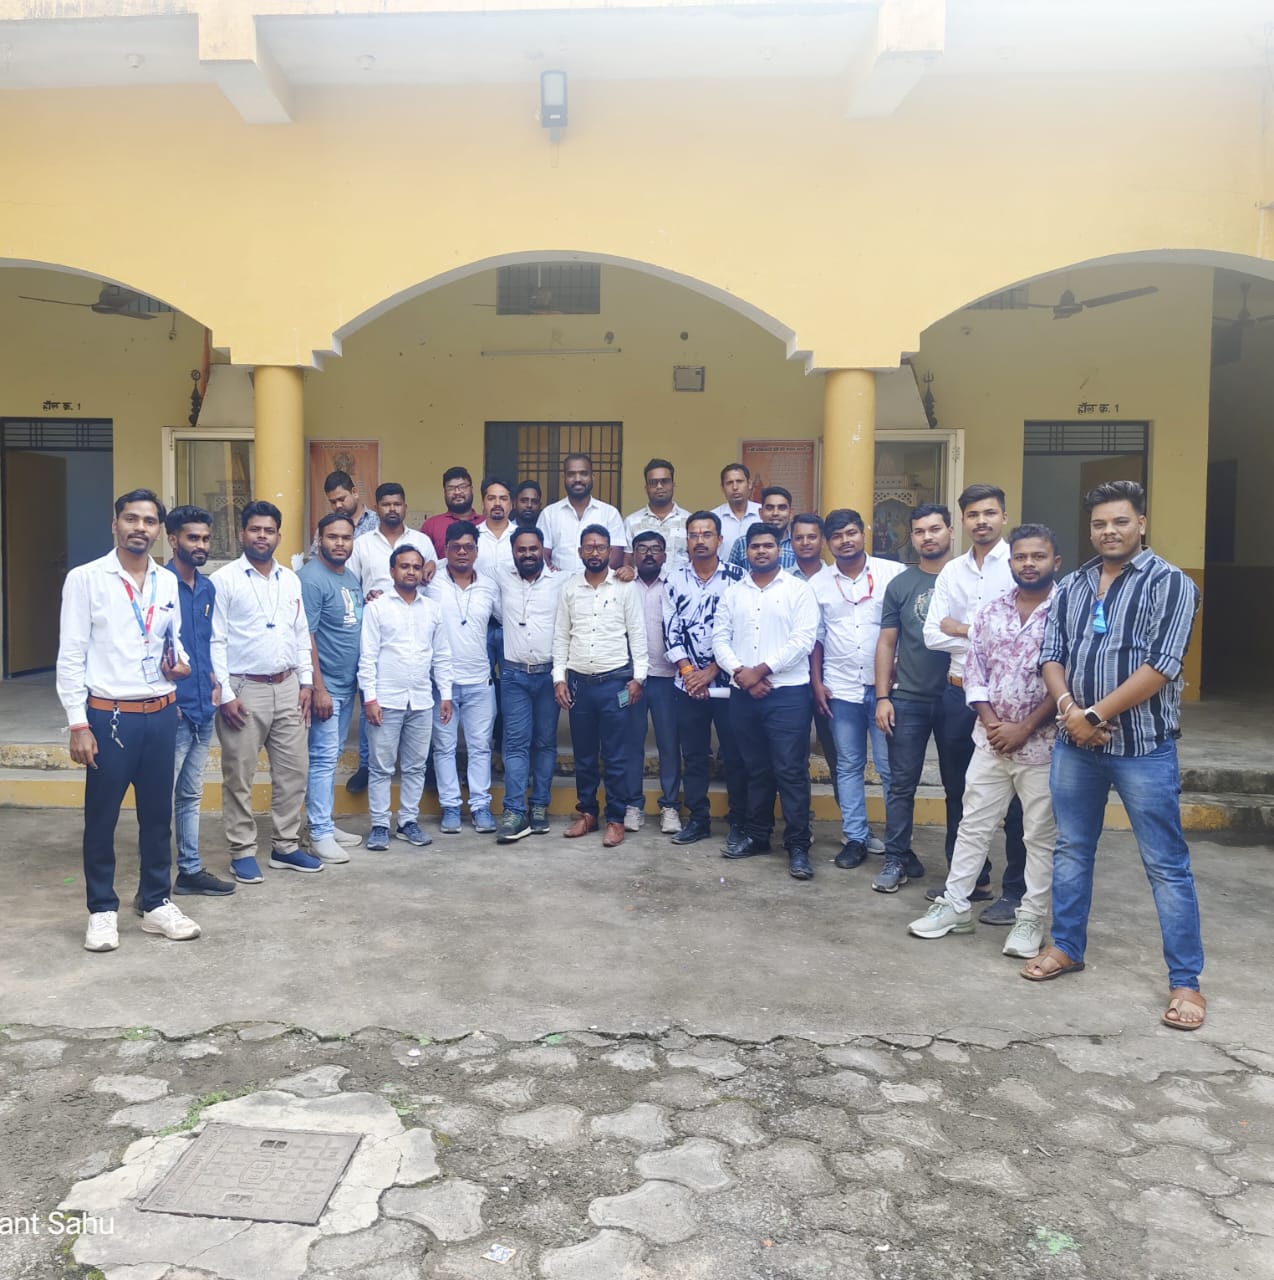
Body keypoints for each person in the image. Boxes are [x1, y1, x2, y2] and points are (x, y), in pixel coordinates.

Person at [1026, 481, 1206, 1031]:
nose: (1110, 531)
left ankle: (1186, 982)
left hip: (1142, 749)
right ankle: (1067, 947)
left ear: (1142, 524)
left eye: (1121, 522)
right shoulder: (1074, 584)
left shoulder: (1171, 583)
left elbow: (1162, 665)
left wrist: (1094, 715)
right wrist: (1069, 711)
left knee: (1166, 865)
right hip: (1076, 747)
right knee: (1072, 849)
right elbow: (1051, 654)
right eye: (1100, 523)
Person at [57, 489, 202, 952]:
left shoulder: (166, 581)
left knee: (158, 817)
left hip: (161, 713)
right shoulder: (86, 579)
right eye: (132, 519)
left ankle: (157, 903)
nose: (141, 527)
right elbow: (71, 655)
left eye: (149, 521)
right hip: (110, 717)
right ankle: (102, 910)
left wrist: (180, 663)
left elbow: (172, 641)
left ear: (160, 530)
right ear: (115, 524)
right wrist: (78, 723)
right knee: (101, 819)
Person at [908, 524, 1062, 959]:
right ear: (1010, 562)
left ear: (1056, 562)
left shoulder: (1068, 612)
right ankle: (955, 906)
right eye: (1021, 557)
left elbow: (1069, 679)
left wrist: (1024, 728)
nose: (1028, 564)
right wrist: (994, 724)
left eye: (1038, 556)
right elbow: (975, 673)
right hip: (990, 741)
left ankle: (1031, 918)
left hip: (1043, 746)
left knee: (1038, 835)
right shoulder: (992, 612)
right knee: (973, 825)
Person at [922, 483, 1026, 924]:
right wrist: (991, 633)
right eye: (973, 514)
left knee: (1017, 799)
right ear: (962, 521)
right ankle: (970, 881)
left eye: (989, 513)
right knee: (958, 790)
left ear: (1003, 516)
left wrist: (964, 628)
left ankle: (1016, 891)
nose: (981, 521)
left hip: (1009, 701)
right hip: (957, 692)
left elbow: (1025, 634)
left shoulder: (1020, 563)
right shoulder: (952, 572)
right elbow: (932, 634)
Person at [211, 500, 320, 881]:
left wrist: (306, 682)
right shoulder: (223, 580)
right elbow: (216, 640)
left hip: (288, 686)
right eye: (255, 529)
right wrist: (225, 694)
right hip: (244, 689)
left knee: (294, 772)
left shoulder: (290, 579)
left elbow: (300, 632)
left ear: (278, 535)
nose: (262, 536)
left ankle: (285, 846)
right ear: (242, 533)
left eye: (269, 530)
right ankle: (242, 850)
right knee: (239, 775)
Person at [713, 522, 819, 880]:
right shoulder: (733, 593)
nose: (761, 551)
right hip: (744, 693)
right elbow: (720, 639)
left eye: (768, 545)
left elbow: (802, 640)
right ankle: (758, 836)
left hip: (787, 693)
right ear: (746, 551)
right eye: (755, 546)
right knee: (754, 768)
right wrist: (740, 672)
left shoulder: (798, 590)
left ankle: (798, 845)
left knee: (790, 771)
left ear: (779, 550)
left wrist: (760, 671)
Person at [872, 504, 962, 895]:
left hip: (959, 697)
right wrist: (882, 697)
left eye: (935, 529)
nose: (928, 537)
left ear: (950, 531)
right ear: (911, 537)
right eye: (920, 531)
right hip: (908, 698)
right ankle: (896, 859)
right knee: (901, 785)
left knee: (959, 788)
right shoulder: (901, 584)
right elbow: (886, 642)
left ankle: (962, 868)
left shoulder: (966, 579)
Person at [810, 508, 904, 869]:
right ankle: (855, 837)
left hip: (885, 691)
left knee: (889, 767)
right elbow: (816, 639)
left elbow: (905, 632)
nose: (844, 541)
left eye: (850, 533)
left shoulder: (892, 574)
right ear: (827, 542)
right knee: (848, 765)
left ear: (864, 533)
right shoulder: (818, 583)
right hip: (841, 688)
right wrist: (817, 683)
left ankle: (898, 843)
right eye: (836, 536)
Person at [553, 524, 647, 847]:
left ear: (610, 551)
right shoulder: (569, 588)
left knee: (616, 755)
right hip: (579, 684)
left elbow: (637, 634)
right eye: (589, 547)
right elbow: (561, 635)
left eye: (601, 547)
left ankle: (616, 819)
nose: (595, 552)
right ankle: (588, 813)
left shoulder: (625, 588)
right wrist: (559, 678)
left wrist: (639, 678)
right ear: (580, 551)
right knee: (584, 755)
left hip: (616, 683)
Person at [345, 483, 438, 793]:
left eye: (397, 503)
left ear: (405, 507)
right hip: (376, 623)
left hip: (415, 625)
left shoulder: (422, 541)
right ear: (377, 508)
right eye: (386, 504)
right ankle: (367, 764)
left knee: (419, 696)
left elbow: (432, 574)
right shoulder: (362, 544)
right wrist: (364, 598)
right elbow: (350, 584)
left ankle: (423, 764)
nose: (392, 509)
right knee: (372, 694)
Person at [359, 545, 454, 851]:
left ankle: (407, 822)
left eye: (416, 566)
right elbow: (367, 657)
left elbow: (441, 655)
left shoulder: (432, 609)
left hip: (422, 701)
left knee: (415, 766)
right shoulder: (377, 608)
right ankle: (379, 824)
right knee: (381, 767)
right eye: (404, 566)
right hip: (386, 700)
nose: (411, 571)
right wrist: (370, 699)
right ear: (392, 571)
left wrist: (446, 694)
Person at [162, 504, 235, 898]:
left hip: (203, 707)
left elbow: (207, 642)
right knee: (160, 797)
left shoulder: (207, 588)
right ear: (172, 539)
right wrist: (166, 699)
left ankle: (189, 871)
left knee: (190, 794)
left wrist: (215, 682)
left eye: (206, 538)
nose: (201, 545)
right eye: (193, 538)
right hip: (171, 709)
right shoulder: (158, 585)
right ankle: (154, 883)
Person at [663, 510, 746, 847]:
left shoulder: (738, 578)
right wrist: (689, 674)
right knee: (695, 756)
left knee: (735, 755)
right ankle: (698, 818)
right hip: (688, 687)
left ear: (720, 540)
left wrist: (711, 671)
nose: (700, 540)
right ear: (687, 540)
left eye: (707, 534)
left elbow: (742, 633)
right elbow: (670, 630)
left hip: (729, 685)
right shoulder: (674, 579)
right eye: (694, 535)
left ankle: (739, 820)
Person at [426, 520, 500, 833]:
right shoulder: (430, 581)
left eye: (468, 547)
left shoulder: (489, 586)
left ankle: (481, 806)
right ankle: (451, 807)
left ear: (476, 551)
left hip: (479, 682)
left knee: (480, 747)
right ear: (445, 550)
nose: (462, 552)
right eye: (455, 547)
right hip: (441, 683)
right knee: (444, 747)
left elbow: (506, 617)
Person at [299, 512, 364, 864]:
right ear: (319, 538)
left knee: (330, 755)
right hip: (326, 688)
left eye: (346, 537)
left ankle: (322, 822)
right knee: (322, 759)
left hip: (346, 684)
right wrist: (318, 688)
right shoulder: (311, 579)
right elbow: (306, 635)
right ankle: (319, 833)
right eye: (333, 537)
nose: (340, 543)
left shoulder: (348, 576)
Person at [496, 525, 564, 842]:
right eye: (521, 549)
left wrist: (626, 571)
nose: (527, 554)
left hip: (549, 675)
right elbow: (458, 568)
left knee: (545, 743)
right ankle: (514, 811)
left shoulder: (561, 581)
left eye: (533, 548)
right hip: (514, 676)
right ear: (513, 552)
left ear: (542, 550)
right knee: (515, 744)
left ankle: (539, 807)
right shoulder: (500, 576)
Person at [624, 531, 683, 834]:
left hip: (666, 679)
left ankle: (670, 806)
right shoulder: (622, 586)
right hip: (630, 680)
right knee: (631, 743)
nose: (649, 554)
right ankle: (633, 805)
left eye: (655, 549)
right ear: (633, 554)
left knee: (669, 744)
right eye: (642, 549)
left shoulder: (674, 585)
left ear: (664, 555)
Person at [540, 454, 627, 573]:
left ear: (592, 477)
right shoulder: (549, 514)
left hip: (600, 583)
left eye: (583, 473)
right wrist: (552, 573)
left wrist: (593, 578)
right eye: (571, 474)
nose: (577, 479)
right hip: (558, 583)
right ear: (564, 477)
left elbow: (616, 556)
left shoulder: (610, 513)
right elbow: (542, 552)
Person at [625, 458, 690, 568]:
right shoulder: (631, 522)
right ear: (646, 488)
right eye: (653, 482)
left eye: (665, 481)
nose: (659, 486)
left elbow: (695, 559)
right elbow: (628, 563)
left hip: (681, 579)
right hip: (642, 580)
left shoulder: (688, 521)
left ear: (673, 485)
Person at [308, 469, 379, 558]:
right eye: (333, 502)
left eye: (341, 499)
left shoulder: (377, 523)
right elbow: (314, 558)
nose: (338, 505)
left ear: (354, 492)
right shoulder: (326, 526)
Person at [727, 487, 797, 571]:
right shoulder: (742, 543)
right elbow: (731, 575)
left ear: (791, 513)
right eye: (769, 508)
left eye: (781, 508)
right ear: (760, 513)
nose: (775, 513)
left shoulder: (799, 544)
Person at [422, 466, 483, 558]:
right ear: (444, 492)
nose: (457, 492)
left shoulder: (485, 523)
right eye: (451, 488)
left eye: (462, 487)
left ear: (471, 489)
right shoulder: (431, 525)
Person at [713, 463, 761, 565]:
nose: (735, 487)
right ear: (722, 488)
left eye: (739, 481)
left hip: (758, 574)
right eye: (729, 483)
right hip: (724, 574)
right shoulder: (712, 518)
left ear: (749, 484)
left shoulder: (763, 513)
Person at [475, 477, 516, 571]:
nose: (497, 503)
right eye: (491, 498)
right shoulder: (472, 536)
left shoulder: (521, 536)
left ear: (512, 504)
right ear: (483, 503)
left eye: (503, 499)